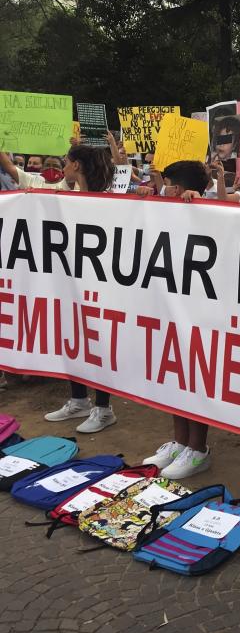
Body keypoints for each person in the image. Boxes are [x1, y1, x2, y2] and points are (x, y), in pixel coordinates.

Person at [1, 146, 120, 433]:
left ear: (76, 165)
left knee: (97, 344)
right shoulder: (56, 190)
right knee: (73, 339)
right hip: (67, 285)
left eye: (66, 162)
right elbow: (15, 172)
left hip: (98, 286)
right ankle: (79, 399)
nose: (63, 166)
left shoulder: (110, 201)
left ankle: (104, 408)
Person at [141, 160, 215, 480]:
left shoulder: (208, 211)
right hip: (169, 306)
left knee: (193, 379)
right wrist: (147, 194)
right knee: (173, 377)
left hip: (198, 312)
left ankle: (198, 448)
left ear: (183, 188)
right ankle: (180, 441)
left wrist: (200, 205)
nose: (164, 189)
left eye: (168, 184)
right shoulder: (166, 208)